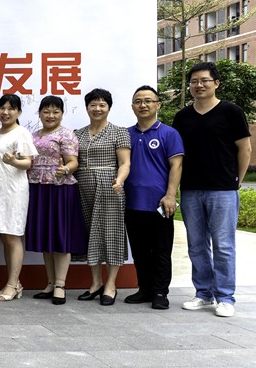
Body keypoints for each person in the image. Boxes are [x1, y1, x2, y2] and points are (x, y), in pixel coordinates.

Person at [173, 62, 251, 317]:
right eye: (194, 81)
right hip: (191, 189)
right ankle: (204, 293)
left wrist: (236, 180)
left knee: (224, 245)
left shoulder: (231, 112)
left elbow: (245, 149)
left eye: (205, 80)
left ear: (216, 83)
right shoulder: (182, 117)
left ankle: (225, 297)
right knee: (196, 245)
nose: (199, 85)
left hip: (223, 190)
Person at [125, 85, 183, 310]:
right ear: (132, 107)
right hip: (132, 203)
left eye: (148, 101)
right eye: (138, 101)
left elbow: (176, 165)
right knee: (139, 250)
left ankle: (160, 292)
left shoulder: (169, 133)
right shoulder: (126, 134)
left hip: (160, 204)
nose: (143, 105)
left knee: (161, 250)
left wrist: (170, 195)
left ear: (158, 104)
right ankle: (145, 289)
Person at [25, 96, 86, 306]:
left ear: (61, 114)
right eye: (46, 111)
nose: (50, 116)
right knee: (46, 237)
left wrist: (65, 168)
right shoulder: (33, 135)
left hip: (60, 189)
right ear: (40, 113)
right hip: (38, 188)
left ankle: (61, 284)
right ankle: (50, 283)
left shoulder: (67, 134)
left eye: (55, 112)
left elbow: (73, 161)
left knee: (60, 237)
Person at [74, 88, 131, 306]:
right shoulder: (78, 133)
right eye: (93, 105)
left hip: (110, 187)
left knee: (111, 233)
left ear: (109, 107)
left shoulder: (119, 132)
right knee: (90, 233)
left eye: (102, 105)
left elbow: (125, 162)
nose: (97, 109)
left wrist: (119, 181)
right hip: (83, 186)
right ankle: (96, 283)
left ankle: (111, 285)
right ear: (87, 107)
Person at [0, 94, 38, 301]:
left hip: (14, 190)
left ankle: (12, 284)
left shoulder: (22, 133)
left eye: (11, 108)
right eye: (2, 108)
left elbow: (28, 162)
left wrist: (13, 162)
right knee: (4, 236)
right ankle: (14, 283)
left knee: (12, 236)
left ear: (19, 112)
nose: (6, 112)